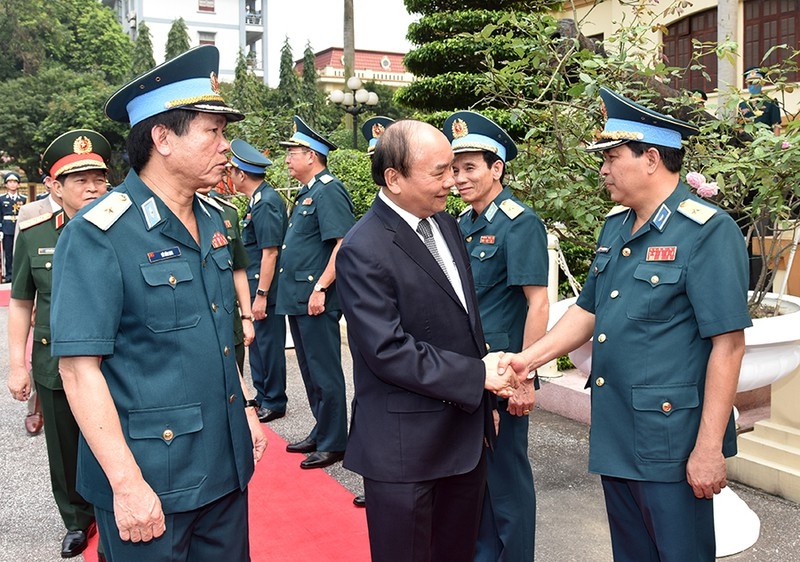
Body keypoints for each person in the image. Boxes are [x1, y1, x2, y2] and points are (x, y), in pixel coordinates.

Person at [501, 87, 751, 561]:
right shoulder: (617, 226)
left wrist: (708, 449)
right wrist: (525, 360)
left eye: (612, 157)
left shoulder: (706, 230)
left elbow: (729, 346)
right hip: (618, 434)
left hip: (671, 443)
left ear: (652, 158)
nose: (603, 169)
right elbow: (588, 312)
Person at [49, 45, 267, 562]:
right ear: (162, 138)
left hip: (224, 465)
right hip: (152, 478)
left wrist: (248, 410)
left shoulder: (213, 220)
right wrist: (126, 485)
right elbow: (80, 371)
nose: (226, 147)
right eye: (213, 132)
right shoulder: (99, 233)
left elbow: (217, 334)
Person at [335, 119, 519, 562]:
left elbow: (464, 323)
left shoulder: (445, 225)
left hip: (463, 438)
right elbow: (388, 351)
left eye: (454, 169)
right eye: (439, 172)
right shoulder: (364, 247)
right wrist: (478, 377)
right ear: (394, 178)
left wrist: (483, 407)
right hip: (405, 450)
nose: (452, 182)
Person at [444, 110, 549, 561]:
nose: (459, 178)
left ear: (497, 169)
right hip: (473, 371)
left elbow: (538, 301)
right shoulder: (463, 223)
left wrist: (526, 375)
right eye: (454, 169)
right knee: (478, 476)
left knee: (507, 478)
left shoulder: (519, 222)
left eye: (470, 168)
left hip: (507, 371)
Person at [7, 129, 110, 559]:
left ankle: (116, 507)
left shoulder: (122, 229)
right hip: (56, 360)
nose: (92, 188)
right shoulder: (32, 235)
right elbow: (19, 303)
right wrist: (17, 364)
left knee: (118, 439)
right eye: (80, 180)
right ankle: (76, 519)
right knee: (65, 447)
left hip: (113, 360)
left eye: (99, 179)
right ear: (55, 186)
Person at [276, 116, 354, 469]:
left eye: (293, 152)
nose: (288, 159)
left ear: (312, 155)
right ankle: (322, 430)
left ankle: (335, 441)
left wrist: (322, 286)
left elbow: (343, 245)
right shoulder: (308, 192)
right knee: (309, 371)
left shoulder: (328, 190)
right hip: (298, 298)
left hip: (317, 298)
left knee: (325, 372)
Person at [229, 139, 289, 423]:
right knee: (259, 344)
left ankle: (275, 399)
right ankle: (264, 395)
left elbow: (270, 252)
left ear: (241, 174)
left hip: (265, 289)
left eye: (232, 171)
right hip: (255, 287)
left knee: (269, 344)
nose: (230, 176)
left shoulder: (265, 202)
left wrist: (262, 294)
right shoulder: (257, 200)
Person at [10, 174, 58, 436]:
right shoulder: (31, 212)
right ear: (52, 183)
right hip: (42, 296)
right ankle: (36, 406)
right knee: (43, 351)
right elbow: (25, 267)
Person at [196, 183, 255, 375]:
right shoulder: (171, 210)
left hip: (230, 320)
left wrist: (246, 317)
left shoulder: (226, 213)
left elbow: (238, 268)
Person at [738, 67, 781, 135]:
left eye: (756, 82)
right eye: (750, 83)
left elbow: (776, 125)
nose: (753, 85)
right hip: (749, 142)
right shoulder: (743, 105)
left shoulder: (771, 102)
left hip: (766, 140)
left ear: (762, 83)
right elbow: (740, 126)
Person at [1, 171, 27, 281]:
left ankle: (19, 274)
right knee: (8, 252)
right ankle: (9, 275)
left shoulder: (23, 198)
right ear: (6, 185)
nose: (12, 184)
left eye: (15, 182)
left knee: (20, 251)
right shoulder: (2, 199)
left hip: (20, 226)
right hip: (7, 228)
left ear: (19, 184)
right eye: (10, 182)